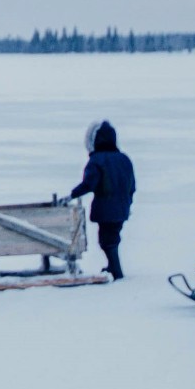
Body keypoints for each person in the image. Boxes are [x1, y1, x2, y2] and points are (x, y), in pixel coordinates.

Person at [70, 120, 136, 279]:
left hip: (106, 208)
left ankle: (117, 272)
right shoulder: (124, 159)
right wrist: (127, 202)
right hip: (122, 207)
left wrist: (72, 194)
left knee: (107, 241)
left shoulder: (97, 160)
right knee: (112, 238)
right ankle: (113, 267)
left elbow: (89, 184)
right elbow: (132, 186)